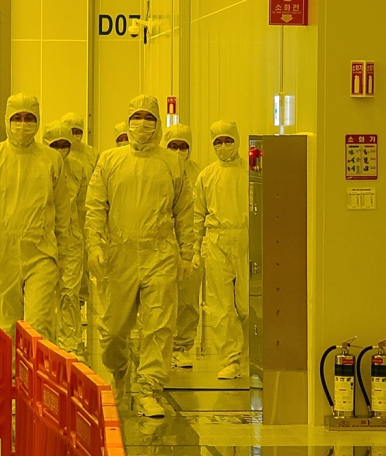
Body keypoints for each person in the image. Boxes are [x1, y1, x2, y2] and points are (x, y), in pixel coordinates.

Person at [85, 95, 195, 418]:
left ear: (159, 123)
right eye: (137, 116)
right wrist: (94, 245)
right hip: (119, 254)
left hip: (160, 252)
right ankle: (120, 371)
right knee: (112, 330)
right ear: (128, 120)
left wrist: (187, 254)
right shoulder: (109, 160)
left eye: (149, 117)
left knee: (159, 326)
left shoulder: (172, 163)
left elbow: (184, 212)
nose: (143, 123)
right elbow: (95, 207)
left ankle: (149, 389)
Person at [0, 93, 70, 343]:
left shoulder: (51, 159)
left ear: (37, 121)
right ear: (6, 120)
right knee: (3, 326)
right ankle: (10, 379)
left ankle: (36, 381)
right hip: (2, 254)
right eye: (17, 118)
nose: (23, 124)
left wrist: (66, 255)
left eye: (29, 118)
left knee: (40, 325)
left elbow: (64, 213)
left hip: (41, 253)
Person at [192, 120, 249, 380]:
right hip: (215, 242)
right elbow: (197, 215)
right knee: (221, 305)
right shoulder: (206, 176)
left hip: (246, 240)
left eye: (228, 140)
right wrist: (194, 248)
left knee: (247, 304)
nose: (223, 146)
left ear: (237, 140)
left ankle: (252, 356)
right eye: (218, 142)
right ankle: (231, 359)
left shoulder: (250, 172)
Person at [43, 121, 89, 358]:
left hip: (72, 239)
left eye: (64, 145)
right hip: (44, 239)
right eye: (55, 145)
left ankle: (70, 341)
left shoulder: (79, 169)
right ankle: (47, 343)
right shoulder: (39, 166)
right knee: (45, 295)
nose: (61, 149)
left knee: (70, 292)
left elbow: (84, 206)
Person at [162, 124, 203, 369]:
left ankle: (181, 347)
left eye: (183, 146)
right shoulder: (157, 169)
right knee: (160, 300)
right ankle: (159, 347)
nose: (178, 151)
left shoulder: (200, 174)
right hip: (162, 245)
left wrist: (194, 249)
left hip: (191, 246)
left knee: (188, 300)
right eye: (173, 146)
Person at [61, 112, 97, 312]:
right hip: (57, 228)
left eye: (78, 132)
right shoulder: (49, 159)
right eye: (71, 132)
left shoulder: (91, 154)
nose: (75, 136)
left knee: (75, 279)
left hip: (80, 222)